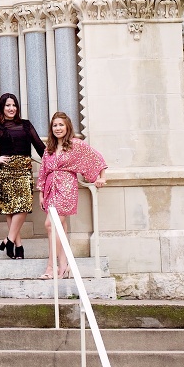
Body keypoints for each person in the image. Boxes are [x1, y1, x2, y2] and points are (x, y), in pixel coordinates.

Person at [0, 92, 45, 261]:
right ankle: (18, 247)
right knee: (10, 210)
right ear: (2, 108)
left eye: (14, 105)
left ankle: (9, 239)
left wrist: (53, 163)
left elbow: (40, 147)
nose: (11, 108)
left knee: (23, 206)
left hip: (23, 170)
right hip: (5, 172)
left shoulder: (26, 125)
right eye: (7, 105)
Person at [37, 112, 107, 279]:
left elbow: (96, 158)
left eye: (61, 125)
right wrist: (41, 193)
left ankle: (50, 267)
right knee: (59, 228)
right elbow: (43, 171)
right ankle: (64, 266)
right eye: (55, 125)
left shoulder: (76, 144)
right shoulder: (50, 148)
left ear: (67, 126)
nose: (58, 128)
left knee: (50, 225)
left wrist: (102, 177)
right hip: (50, 189)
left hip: (66, 187)